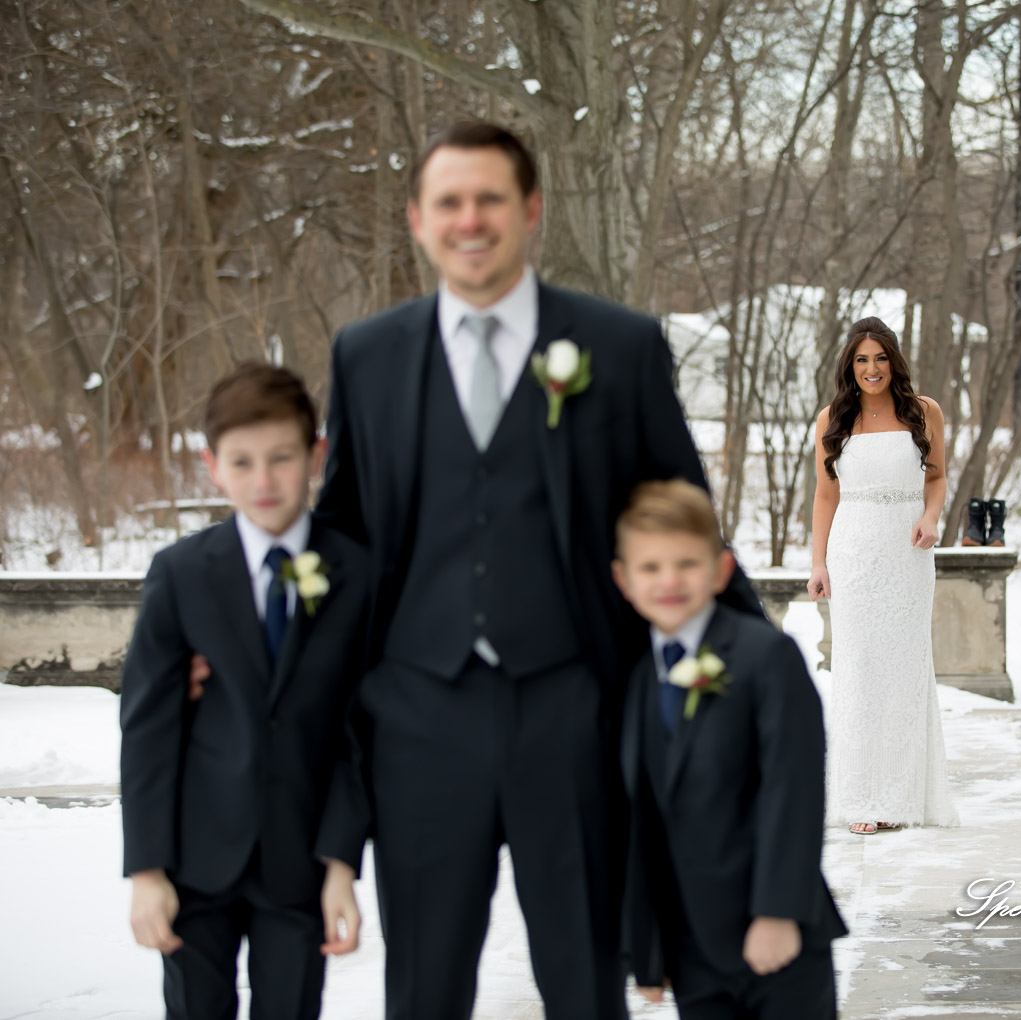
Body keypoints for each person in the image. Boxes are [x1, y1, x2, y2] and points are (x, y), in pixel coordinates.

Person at [314, 123, 760, 1019]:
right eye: (449, 202)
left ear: (531, 211)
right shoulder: (367, 356)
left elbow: (684, 513)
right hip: (418, 722)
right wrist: (251, 641)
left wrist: (750, 665)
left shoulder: (619, 346)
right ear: (416, 219)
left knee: (585, 983)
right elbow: (343, 542)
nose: (469, 220)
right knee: (422, 990)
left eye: (489, 200)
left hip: (576, 714)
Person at [119, 363, 371, 1019]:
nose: (264, 480)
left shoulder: (357, 576)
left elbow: (360, 731)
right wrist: (147, 871)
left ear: (315, 455)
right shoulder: (179, 575)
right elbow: (148, 727)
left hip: (300, 865)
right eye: (243, 461)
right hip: (194, 861)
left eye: (282, 458)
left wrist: (341, 863)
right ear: (212, 466)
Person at [613, 481, 847, 1018]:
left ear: (720, 570)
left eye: (687, 563)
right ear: (623, 580)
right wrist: (648, 947)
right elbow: (640, 819)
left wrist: (777, 912)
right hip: (692, 946)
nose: (668, 580)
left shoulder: (767, 657)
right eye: (649, 568)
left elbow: (793, 790)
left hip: (776, 938)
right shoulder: (636, 678)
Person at [808, 316, 958, 833]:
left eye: (880, 357)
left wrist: (931, 517)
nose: (872, 369)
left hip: (908, 552)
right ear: (850, 366)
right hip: (854, 551)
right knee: (858, 669)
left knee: (903, 668)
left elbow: (936, 480)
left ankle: (900, 798)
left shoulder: (924, 412)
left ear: (894, 361)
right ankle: (860, 799)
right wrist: (819, 563)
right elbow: (825, 496)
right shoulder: (833, 417)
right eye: (861, 360)